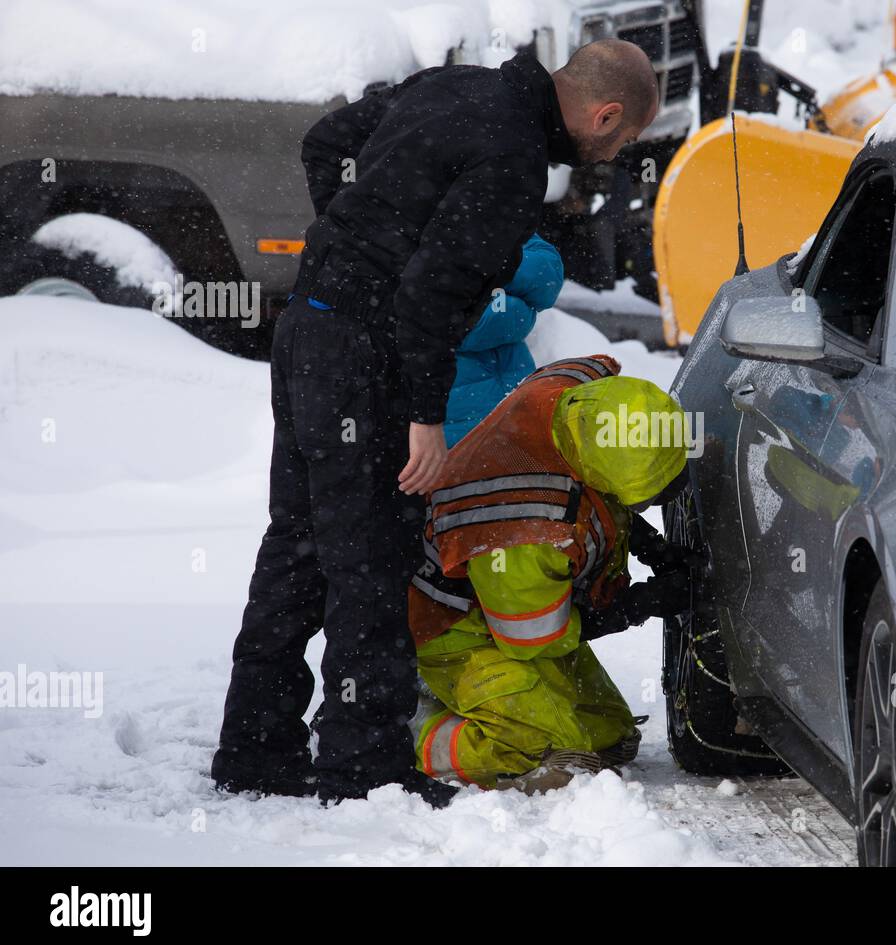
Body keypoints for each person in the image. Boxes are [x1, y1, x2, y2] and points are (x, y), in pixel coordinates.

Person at [211, 41, 660, 807]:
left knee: (299, 540)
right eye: (619, 142)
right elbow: (431, 296)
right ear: (604, 113)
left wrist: (351, 243)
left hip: (306, 331)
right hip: (365, 357)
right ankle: (362, 765)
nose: (613, 154)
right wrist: (425, 414)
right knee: (374, 558)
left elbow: (327, 142)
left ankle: (255, 747)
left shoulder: (453, 86)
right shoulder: (513, 158)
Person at [407, 356, 694, 792]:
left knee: (610, 740)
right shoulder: (522, 524)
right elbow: (537, 636)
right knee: (546, 753)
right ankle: (407, 724)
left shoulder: (579, 393)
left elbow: (599, 493)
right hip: (454, 622)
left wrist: (652, 546)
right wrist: (641, 604)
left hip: (511, 600)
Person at [443, 234, 563, 448]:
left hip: (515, 398)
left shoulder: (485, 212)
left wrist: (484, 269)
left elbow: (547, 274)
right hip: (448, 409)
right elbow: (445, 314)